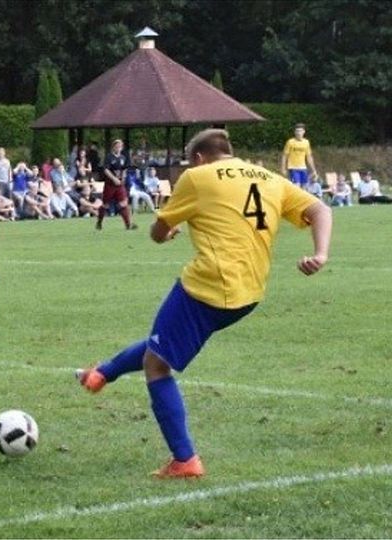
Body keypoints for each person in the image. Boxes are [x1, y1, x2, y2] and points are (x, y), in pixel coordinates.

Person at [74, 128, 332, 478]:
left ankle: (185, 460)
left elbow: (157, 232)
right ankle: (101, 374)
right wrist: (320, 253)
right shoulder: (268, 177)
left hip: (209, 285)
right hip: (248, 293)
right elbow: (319, 208)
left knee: (156, 365)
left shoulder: (197, 177)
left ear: (198, 157)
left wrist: (168, 232)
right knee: (163, 343)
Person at [97, 139, 137, 230]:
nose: (118, 148)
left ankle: (128, 224)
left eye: (120, 147)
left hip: (119, 185)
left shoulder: (123, 157)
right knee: (105, 205)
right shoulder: (109, 157)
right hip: (110, 185)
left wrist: (123, 177)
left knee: (124, 203)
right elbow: (106, 170)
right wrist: (114, 178)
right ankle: (99, 222)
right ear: (113, 147)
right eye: (117, 146)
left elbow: (124, 169)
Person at [280, 123, 317, 187]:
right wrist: (283, 168)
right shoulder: (290, 142)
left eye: (300, 131)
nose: (298, 133)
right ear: (294, 132)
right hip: (293, 168)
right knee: (296, 186)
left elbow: (309, 157)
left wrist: (314, 170)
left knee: (305, 186)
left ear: (304, 132)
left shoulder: (306, 142)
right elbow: (284, 156)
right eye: (297, 131)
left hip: (303, 167)